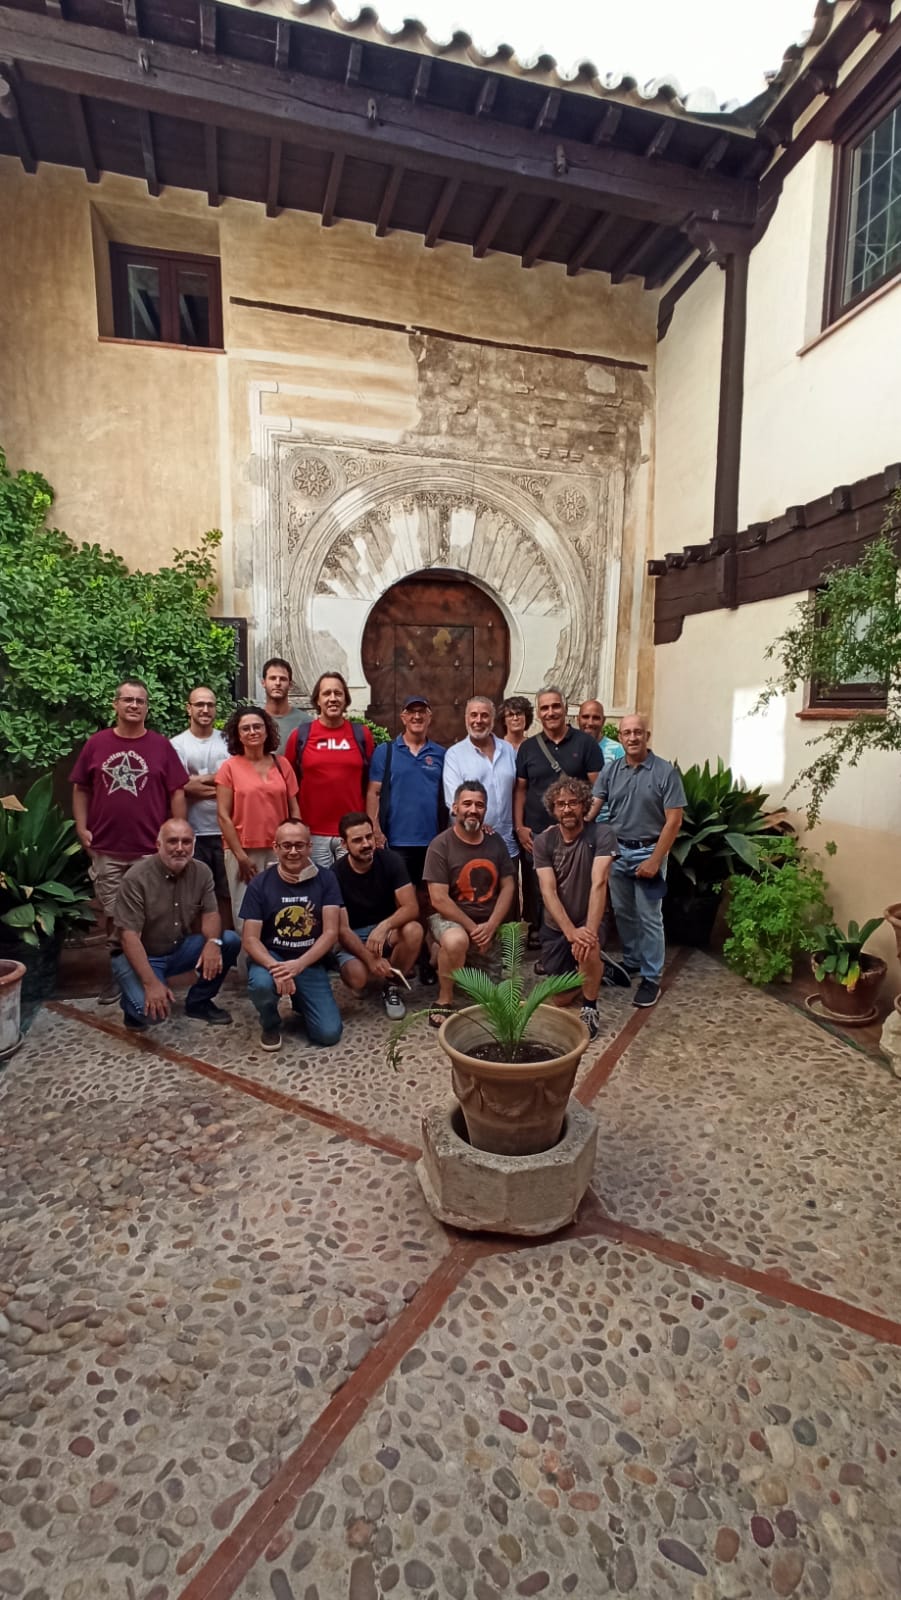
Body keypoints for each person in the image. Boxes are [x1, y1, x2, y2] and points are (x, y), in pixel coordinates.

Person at [71, 678, 189, 1000]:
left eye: (140, 701)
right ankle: (119, 974)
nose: (134, 705)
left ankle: (147, 972)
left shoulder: (161, 746)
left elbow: (176, 791)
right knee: (114, 917)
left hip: (149, 850)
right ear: (116, 704)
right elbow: (81, 788)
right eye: (128, 700)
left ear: (147, 708)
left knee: (150, 916)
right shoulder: (96, 744)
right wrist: (82, 828)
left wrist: (176, 831)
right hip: (107, 848)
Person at [588, 714, 685, 1009]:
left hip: (648, 853)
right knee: (624, 912)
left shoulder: (665, 772)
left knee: (650, 917)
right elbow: (595, 807)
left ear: (647, 736)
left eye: (638, 733)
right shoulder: (611, 771)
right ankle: (631, 962)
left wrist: (656, 860)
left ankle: (652, 977)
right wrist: (572, 825)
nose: (632, 738)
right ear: (620, 737)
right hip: (617, 852)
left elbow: (674, 821)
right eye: (627, 733)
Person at [111, 819, 241, 1030]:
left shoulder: (202, 872)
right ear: (158, 844)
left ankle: (199, 1002)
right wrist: (151, 983)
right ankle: (130, 1000)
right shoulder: (136, 878)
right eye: (172, 841)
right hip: (139, 955)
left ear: (194, 844)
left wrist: (213, 943)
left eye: (186, 842)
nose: (180, 848)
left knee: (229, 941)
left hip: (177, 949)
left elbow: (211, 913)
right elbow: (129, 936)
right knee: (152, 1016)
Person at [533, 777, 627, 1042]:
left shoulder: (601, 834)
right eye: (560, 804)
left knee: (589, 947)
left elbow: (599, 882)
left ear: (584, 805)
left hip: (590, 919)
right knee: (560, 998)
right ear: (553, 809)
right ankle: (598, 970)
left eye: (573, 803)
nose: (567, 809)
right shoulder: (544, 841)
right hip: (557, 926)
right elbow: (548, 891)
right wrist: (570, 932)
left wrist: (587, 931)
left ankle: (590, 1007)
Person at [240, 819, 343, 1052]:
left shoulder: (326, 879)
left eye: (299, 845)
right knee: (261, 985)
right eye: (286, 846)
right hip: (271, 958)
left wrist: (298, 966)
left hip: (308, 959)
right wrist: (277, 968)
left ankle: (301, 1000)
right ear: (275, 848)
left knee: (328, 1034)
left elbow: (330, 932)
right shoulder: (260, 883)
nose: (293, 851)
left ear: (309, 847)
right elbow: (250, 939)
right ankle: (270, 1023)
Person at [513, 686, 600, 951]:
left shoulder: (586, 745)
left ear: (565, 709)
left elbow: (599, 791)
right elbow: (520, 790)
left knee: (573, 889)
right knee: (539, 890)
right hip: (537, 834)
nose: (550, 712)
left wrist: (585, 823)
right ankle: (543, 938)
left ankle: (575, 940)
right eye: (544, 708)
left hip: (576, 833)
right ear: (538, 713)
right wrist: (520, 826)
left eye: (555, 706)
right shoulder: (528, 748)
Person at [423, 780, 515, 1027]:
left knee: (491, 994)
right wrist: (472, 928)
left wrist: (492, 924)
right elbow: (438, 899)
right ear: (454, 808)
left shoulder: (495, 842)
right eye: (467, 804)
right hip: (452, 920)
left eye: (479, 805)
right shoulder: (440, 845)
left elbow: (508, 886)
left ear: (485, 810)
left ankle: (439, 955)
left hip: (488, 923)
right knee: (456, 941)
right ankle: (444, 999)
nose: (473, 809)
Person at [367, 695, 445, 985]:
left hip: (431, 842)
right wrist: (374, 828)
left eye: (421, 712)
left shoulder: (440, 754)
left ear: (429, 716)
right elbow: (374, 792)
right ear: (402, 717)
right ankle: (402, 957)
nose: (416, 717)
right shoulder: (385, 752)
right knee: (401, 903)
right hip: (395, 841)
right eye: (411, 712)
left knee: (429, 904)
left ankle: (426, 959)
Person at [215, 706, 299, 931]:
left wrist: (297, 843)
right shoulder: (229, 768)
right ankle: (246, 966)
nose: (252, 731)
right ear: (237, 734)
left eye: (257, 726)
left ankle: (278, 964)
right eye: (246, 728)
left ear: (267, 730)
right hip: (243, 852)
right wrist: (241, 857)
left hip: (280, 851)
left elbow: (294, 808)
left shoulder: (282, 764)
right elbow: (223, 816)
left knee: (279, 913)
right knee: (246, 917)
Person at [332, 813, 423, 1020]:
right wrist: (369, 959)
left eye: (369, 837)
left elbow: (411, 907)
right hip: (353, 935)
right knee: (358, 979)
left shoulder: (391, 860)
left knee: (413, 929)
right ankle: (372, 972)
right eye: (357, 840)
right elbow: (342, 930)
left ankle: (391, 986)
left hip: (384, 933)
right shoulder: (335, 874)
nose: (366, 844)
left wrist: (384, 927)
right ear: (343, 844)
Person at [285, 672, 375, 871]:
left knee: (351, 892)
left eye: (338, 693)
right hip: (313, 832)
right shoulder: (300, 736)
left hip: (352, 832)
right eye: (326, 693)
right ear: (318, 699)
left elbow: (371, 784)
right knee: (318, 891)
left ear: (345, 699)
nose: (333, 698)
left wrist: (371, 828)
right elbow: (288, 785)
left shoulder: (362, 735)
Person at [170, 686, 230, 922]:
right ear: (189, 708)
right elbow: (180, 785)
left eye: (210, 705)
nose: (205, 709)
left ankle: (226, 947)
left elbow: (234, 782)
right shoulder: (177, 744)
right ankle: (199, 950)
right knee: (194, 895)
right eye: (199, 704)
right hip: (193, 832)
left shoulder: (228, 741)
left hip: (226, 831)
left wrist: (194, 783)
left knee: (226, 894)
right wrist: (218, 784)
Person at [442, 697, 518, 860]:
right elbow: (453, 803)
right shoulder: (455, 755)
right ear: (466, 719)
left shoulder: (508, 750)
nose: (478, 720)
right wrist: (478, 823)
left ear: (492, 719)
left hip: (507, 843)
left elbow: (516, 792)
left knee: (510, 885)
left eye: (484, 715)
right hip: (472, 843)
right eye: (473, 715)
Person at [262, 657, 311, 745]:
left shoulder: (306, 723)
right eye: (273, 678)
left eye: (283, 679)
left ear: (290, 685)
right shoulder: (254, 721)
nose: (277, 683)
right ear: (263, 683)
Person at [578, 700, 625, 767]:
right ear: (578, 719)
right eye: (585, 717)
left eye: (596, 718)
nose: (590, 723)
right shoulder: (568, 748)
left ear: (603, 721)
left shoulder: (618, 751)